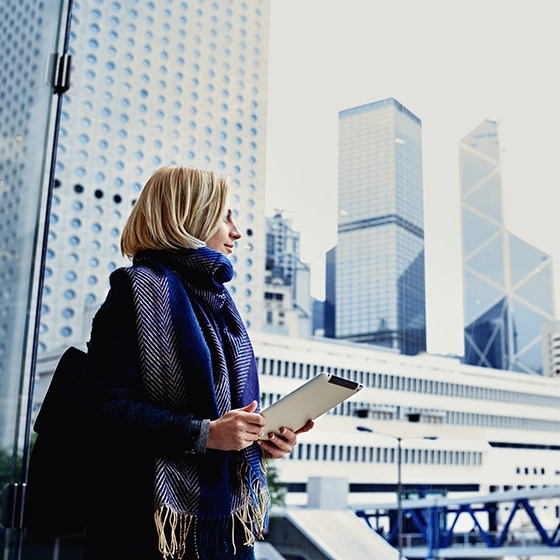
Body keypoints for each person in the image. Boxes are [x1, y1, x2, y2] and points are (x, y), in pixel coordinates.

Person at [78, 166, 313, 560]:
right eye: (225, 216)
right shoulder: (135, 294)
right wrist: (204, 434)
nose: (236, 232)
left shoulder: (219, 305)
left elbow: (222, 419)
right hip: (148, 528)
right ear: (189, 215)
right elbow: (101, 409)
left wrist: (259, 439)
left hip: (225, 528)